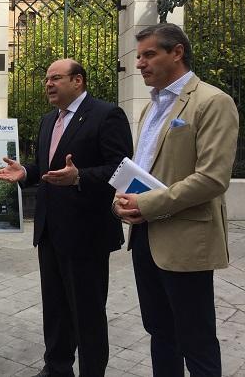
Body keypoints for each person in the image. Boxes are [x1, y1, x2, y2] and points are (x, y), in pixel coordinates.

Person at [0, 59, 133, 377]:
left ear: (78, 81)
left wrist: (80, 176)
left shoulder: (106, 115)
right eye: (46, 79)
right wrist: (27, 171)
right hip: (50, 231)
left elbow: (121, 167)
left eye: (55, 78)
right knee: (55, 308)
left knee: (87, 313)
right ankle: (56, 368)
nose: (48, 84)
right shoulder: (48, 121)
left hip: (87, 233)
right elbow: (48, 167)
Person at [114, 23, 238, 377]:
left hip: (186, 242)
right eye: (138, 56)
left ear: (177, 52)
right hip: (144, 238)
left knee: (196, 341)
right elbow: (142, 169)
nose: (140, 63)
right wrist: (121, 201)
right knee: (160, 334)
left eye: (149, 54)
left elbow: (213, 178)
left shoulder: (213, 102)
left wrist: (147, 204)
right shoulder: (149, 109)